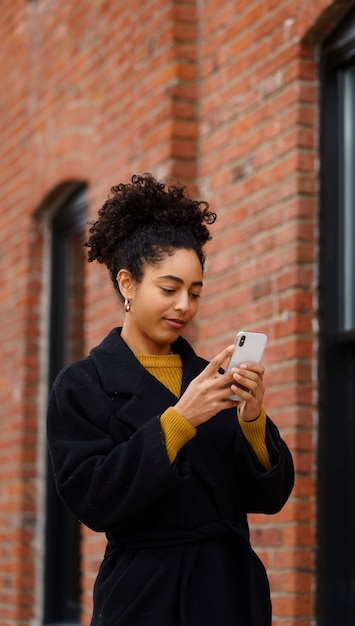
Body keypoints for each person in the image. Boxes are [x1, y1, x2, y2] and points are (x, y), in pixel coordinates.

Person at [47, 173, 294, 626]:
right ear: (127, 283)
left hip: (231, 595)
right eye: (169, 288)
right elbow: (93, 500)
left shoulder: (209, 376)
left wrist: (253, 419)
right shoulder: (80, 385)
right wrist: (179, 419)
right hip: (147, 598)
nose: (185, 305)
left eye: (195, 292)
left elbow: (271, 498)